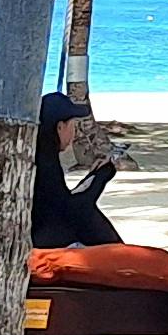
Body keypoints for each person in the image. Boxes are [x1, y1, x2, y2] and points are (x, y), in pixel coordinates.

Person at [32, 89, 121, 250]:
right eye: (73, 125)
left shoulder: (42, 154)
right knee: (88, 214)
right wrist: (101, 177)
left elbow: (62, 200)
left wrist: (94, 177)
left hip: (51, 229)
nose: (75, 133)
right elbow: (73, 210)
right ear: (60, 127)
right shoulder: (45, 163)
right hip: (49, 239)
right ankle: (122, 257)